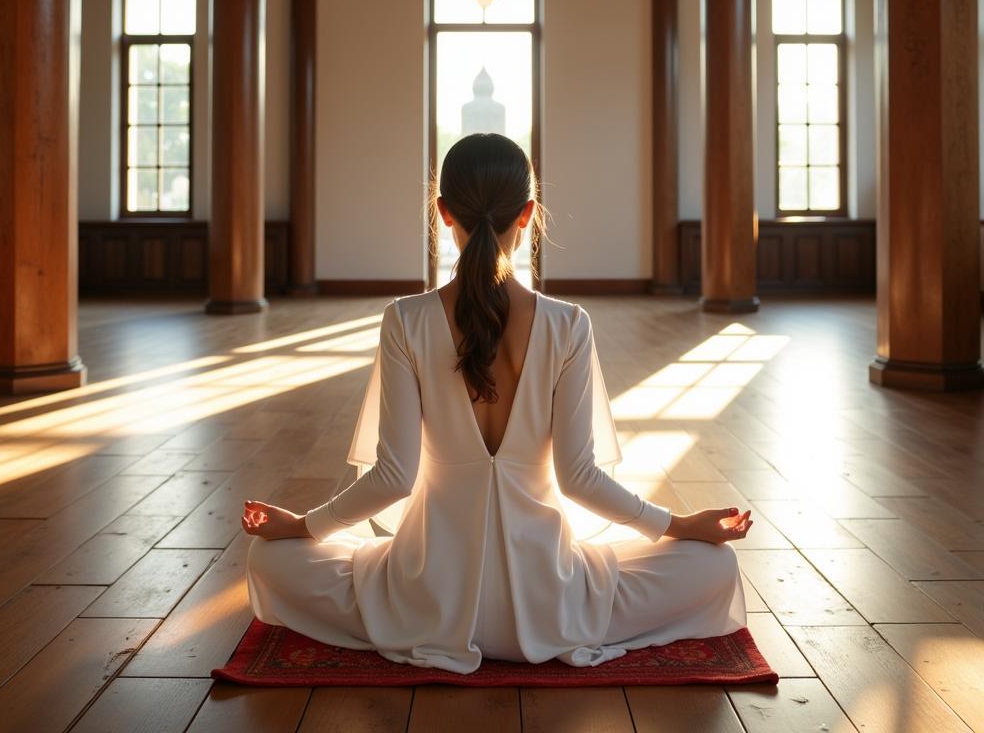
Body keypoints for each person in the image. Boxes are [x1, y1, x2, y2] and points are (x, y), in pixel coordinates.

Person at [241, 133, 752, 674]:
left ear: (442, 213)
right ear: (529, 214)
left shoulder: (405, 320)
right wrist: (679, 525)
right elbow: (579, 478)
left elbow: (393, 478)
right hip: (551, 603)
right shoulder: (568, 324)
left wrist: (301, 526)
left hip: (423, 602)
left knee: (269, 556)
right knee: (714, 566)